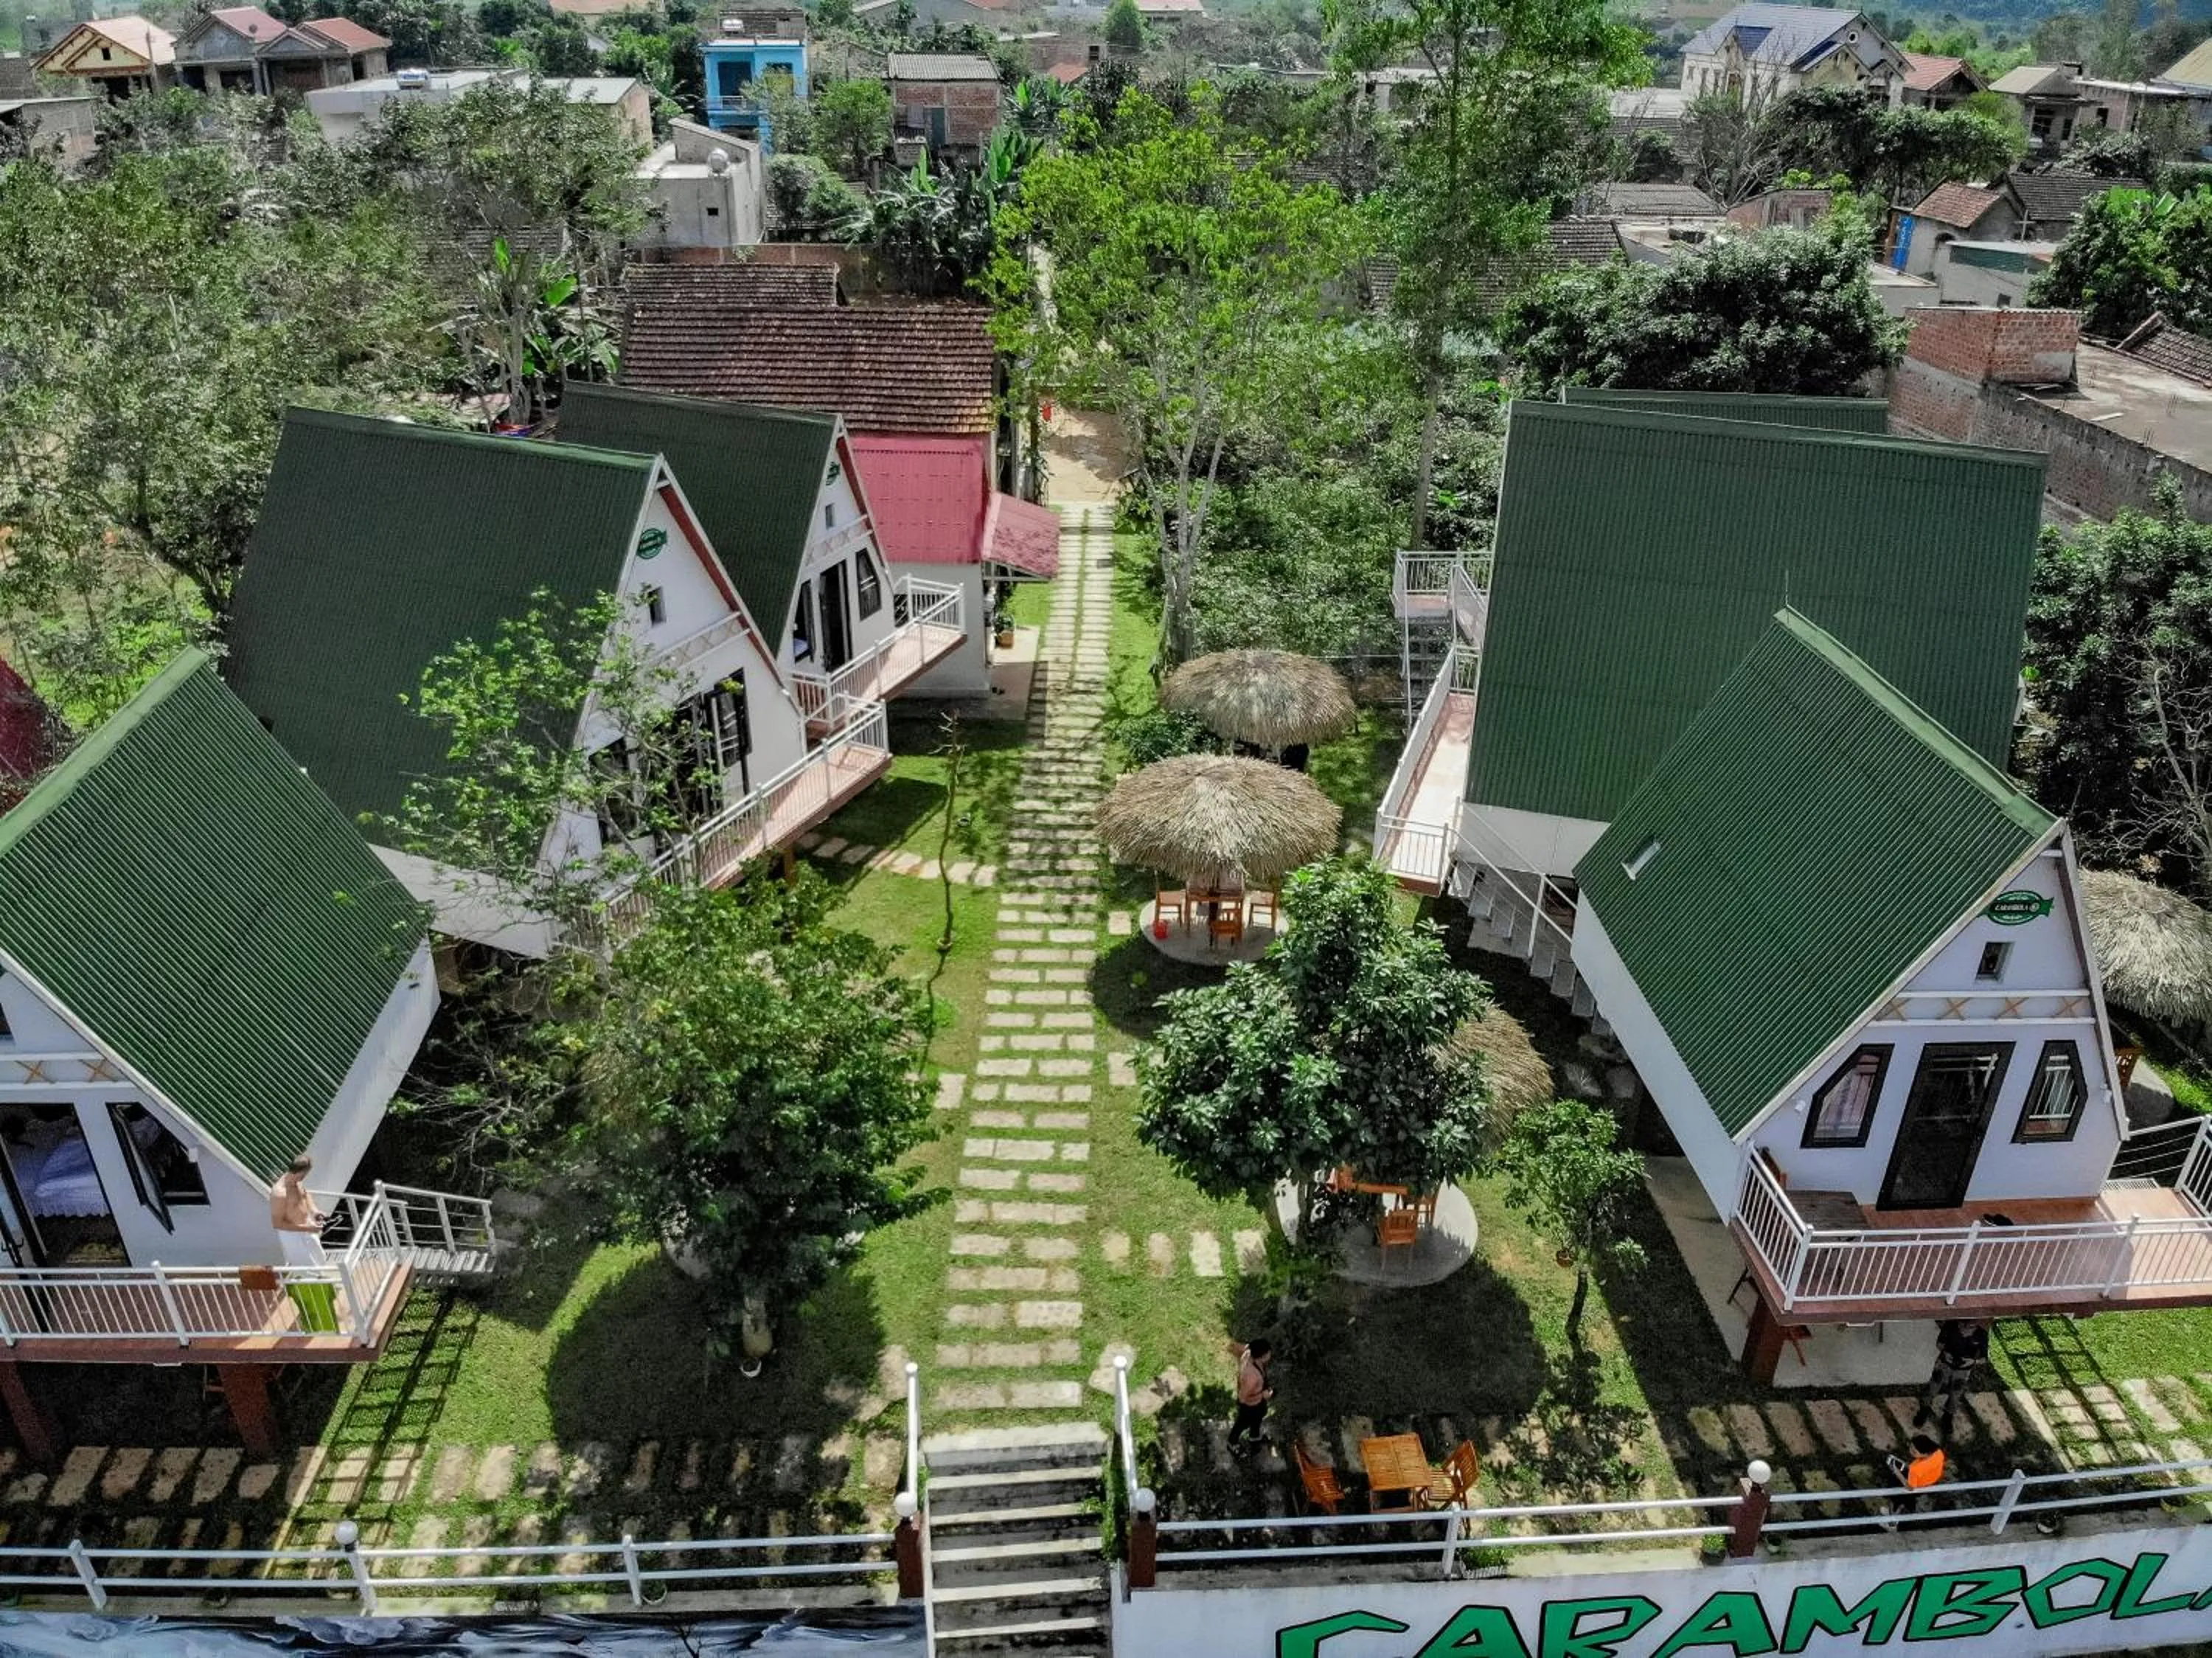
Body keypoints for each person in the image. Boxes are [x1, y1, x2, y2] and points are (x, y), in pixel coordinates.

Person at [1917, 1319, 1989, 1439]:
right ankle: (1924, 1409)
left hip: (1963, 1369)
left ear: (1975, 1326)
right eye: (1962, 1325)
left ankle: (1948, 1416)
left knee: (1956, 1393)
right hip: (1945, 1363)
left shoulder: (1981, 1335)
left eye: (1969, 1328)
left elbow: (1984, 1358)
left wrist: (1972, 1361)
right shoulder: (1950, 1326)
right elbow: (1939, 1344)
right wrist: (1946, 1354)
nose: (1964, 1330)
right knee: (1933, 1387)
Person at [1882, 1432, 1946, 1528]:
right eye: (1911, 1447)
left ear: (1925, 1453)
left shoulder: (1916, 1470)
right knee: (1902, 1501)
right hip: (1929, 1481)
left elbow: (1910, 1487)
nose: (1910, 1451)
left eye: (1914, 1451)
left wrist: (1896, 1472)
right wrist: (1906, 1466)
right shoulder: (1938, 1453)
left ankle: (1892, 1522)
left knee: (1895, 1496)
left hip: (1917, 1484)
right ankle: (1896, 1514)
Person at [1228, 1339, 1274, 1454]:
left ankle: (1255, 1438)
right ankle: (1232, 1443)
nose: (1270, 1355)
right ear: (1262, 1356)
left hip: (1258, 1403)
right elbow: (1242, 1397)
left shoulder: (1249, 1352)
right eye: (1268, 1353)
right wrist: (1263, 1394)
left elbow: (1236, 1347)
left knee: (1257, 1419)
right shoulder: (1252, 1376)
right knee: (1242, 1424)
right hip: (1250, 1405)